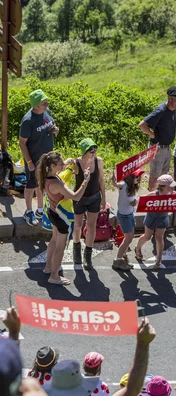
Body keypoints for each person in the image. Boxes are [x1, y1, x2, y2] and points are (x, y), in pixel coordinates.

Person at [37, 151, 91, 285]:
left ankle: (48, 267)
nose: (63, 165)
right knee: (60, 247)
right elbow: (76, 196)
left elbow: (62, 168)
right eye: (61, 164)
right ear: (54, 165)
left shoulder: (46, 176)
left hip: (53, 212)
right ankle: (54, 276)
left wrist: (67, 163)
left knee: (54, 240)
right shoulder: (56, 183)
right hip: (61, 218)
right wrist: (85, 180)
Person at [19, 89, 59, 227]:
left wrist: (53, 130)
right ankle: (28, 211)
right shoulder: (28, 121)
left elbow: (49, 127)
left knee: (42, 183)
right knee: (31, 185)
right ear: (35, 105)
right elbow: (22, 143)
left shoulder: (46, 112)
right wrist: (29, 162)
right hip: (34, 159)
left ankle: (40, 210)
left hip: (47, 159)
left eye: (46, 102)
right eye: (43, 103)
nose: (46, 105)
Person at [139, 86, 176, 191]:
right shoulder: (160, 111)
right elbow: (142, 125)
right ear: (169, 98)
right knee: (155, 176)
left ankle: (161, 197)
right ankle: (151, 197)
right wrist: (153, 135)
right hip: (158, 148)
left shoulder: (174, 109)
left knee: (164, 176)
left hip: (167, 147)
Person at [71, 138, 106, 270]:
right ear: (84, 151)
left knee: (91, 226)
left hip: (94, 197)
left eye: (95, 149)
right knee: (78, 225)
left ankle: (88, 256)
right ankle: (76, 250)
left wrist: (103, 198)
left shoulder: (99, 161)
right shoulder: (76, 163)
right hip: (79, 198)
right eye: (91, 149)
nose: (94, 152)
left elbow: (101, 179)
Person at [135, 174, 176, 270]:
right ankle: (138, 248)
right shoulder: (154, 194)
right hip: (151, 217)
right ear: (163, 186)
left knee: (159, 238)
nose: (173, 187)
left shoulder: (173, 194)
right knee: (147, 236)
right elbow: (140, 200)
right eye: (170, 186)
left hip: (163, 218)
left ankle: (159, 260)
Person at [112, 169, 145, 271]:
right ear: (130, 178)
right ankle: (118, 260)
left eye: (138, 177)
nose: (138, 179)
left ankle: (123, 257)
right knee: (128, 238)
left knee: (129, 236)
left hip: (129, 214)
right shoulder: (124, 185)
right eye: (136, 177)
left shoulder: (132, 187)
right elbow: (116, 184)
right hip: (124, 216)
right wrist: (113, 177)